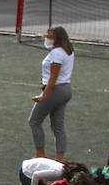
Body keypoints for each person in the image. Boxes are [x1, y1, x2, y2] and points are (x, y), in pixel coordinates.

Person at [28, 26, 75, 161]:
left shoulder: (57, 53)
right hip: (66, 89)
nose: (46, 39)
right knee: (57, 126)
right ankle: (59, 158)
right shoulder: (69, 51)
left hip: (55, 91)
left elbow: (53, 77)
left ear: (57, 38)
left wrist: (44, 95)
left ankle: (40, 154)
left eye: (49, 36)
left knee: (34, 121)